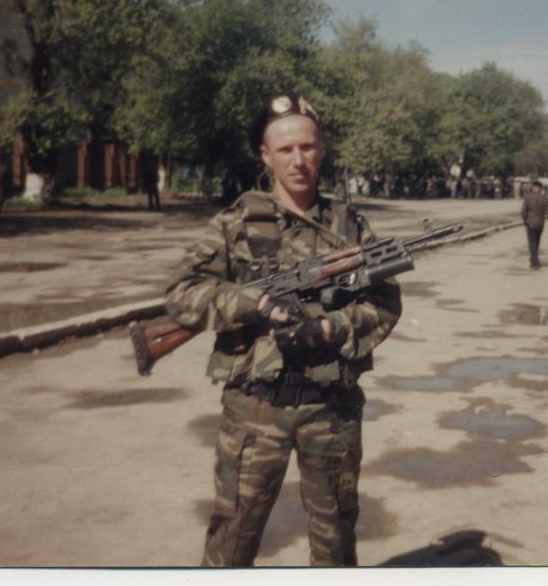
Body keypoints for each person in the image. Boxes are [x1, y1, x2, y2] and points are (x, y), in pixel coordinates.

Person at [165, 94, 402, 567]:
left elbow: (384, 303)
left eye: (308, 147)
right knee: (233, 539)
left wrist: (329, 328)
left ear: (322, 150)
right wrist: (254, 303)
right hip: (255, 407)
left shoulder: (349, 227)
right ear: (265, 155)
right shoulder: (235, 224)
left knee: (335, 544)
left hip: (332, 409)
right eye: (286, 149)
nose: (299, 160)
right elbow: (182, 292)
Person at [520, 179, 548, 269]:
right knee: (537, 242)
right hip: (540, 223)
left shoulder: (528, 197)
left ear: (533, 187)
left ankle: (535, 262)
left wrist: (524, 220)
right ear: (541, 188)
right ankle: (533, 260)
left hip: (530, 223)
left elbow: (523, 211)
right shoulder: (545, 198)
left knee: (532, 243)